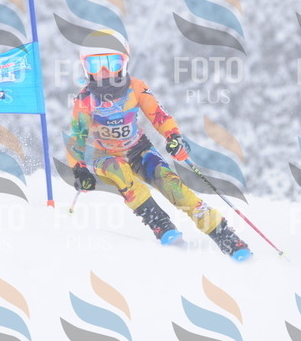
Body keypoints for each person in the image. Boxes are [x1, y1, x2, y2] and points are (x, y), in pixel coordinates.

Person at [65, 29, 251, 260]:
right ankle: (161, 224)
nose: (104, 72)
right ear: (85, 67)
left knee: (171, 183)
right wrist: (79, 168)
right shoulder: (85, 100)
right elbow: (77, 137)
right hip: (104, 154)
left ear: (124, 63)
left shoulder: (135, 88)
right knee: (120, 173)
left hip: (138, 149)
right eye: (95, 65)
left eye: (112, 63)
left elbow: (159, 116)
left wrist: (173, 137)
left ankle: (224, 236)